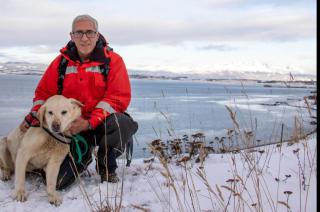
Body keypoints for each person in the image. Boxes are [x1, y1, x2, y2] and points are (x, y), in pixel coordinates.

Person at [19, 14, 138, 189]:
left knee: (123, 123)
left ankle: (106, 168)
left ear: (97, 35)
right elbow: (43, 95)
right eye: (79, 33)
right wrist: (36, 115)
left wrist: (89, 123)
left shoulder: (113, 61)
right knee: (58, 183)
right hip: (70, 130)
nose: (84, 38)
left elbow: (117, 98)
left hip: (100, 124)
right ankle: (81, 157)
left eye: (89, 32)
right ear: (72, 36)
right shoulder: (61, 63)